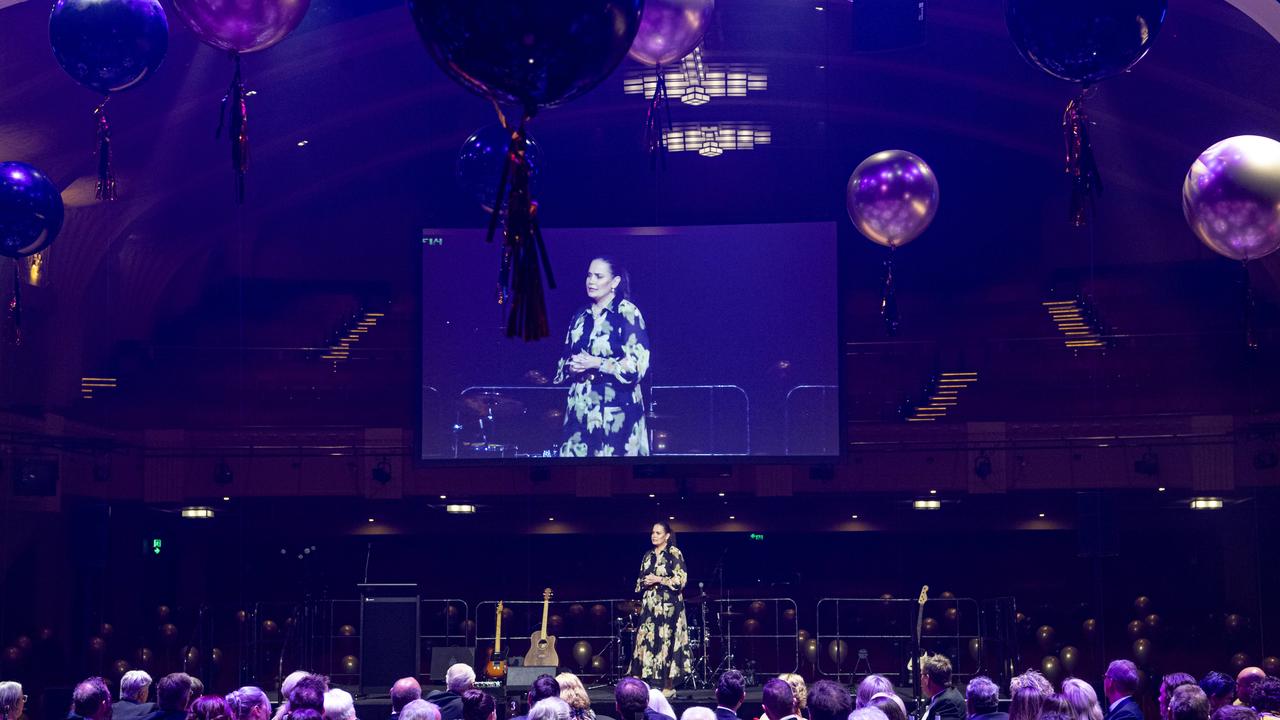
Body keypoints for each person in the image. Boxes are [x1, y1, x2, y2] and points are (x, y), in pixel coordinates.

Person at [555, 256, 652, 457]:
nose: (591, 281)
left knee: (615, 477)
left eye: (598, 276)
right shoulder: (580, 315)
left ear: (615, 282)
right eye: (589, 276)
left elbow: (636, 367)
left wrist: (598, 363)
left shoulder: (627, 313)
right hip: (580, 410)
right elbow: (563, 360)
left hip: (616, 412)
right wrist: (571, 367)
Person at [632, 522, 691, 696]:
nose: (654, 535)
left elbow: (681, 581)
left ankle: (668, 686)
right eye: (652, 532)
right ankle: (642, 685)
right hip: (650, 607)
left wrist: (659, 579)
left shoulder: (674, 553)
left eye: (658, 533)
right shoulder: (648, 555)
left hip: (669, 608)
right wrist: (645, 581)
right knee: (644, 642)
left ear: (666, 536)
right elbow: (638, 582)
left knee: (667, 644)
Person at [919, 655, 964, 720]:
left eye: (921, 675)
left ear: (927, 679)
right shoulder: (934, 697)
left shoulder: (949, 703)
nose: (920, 679)